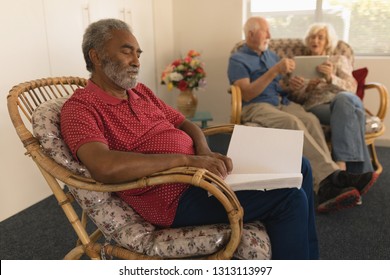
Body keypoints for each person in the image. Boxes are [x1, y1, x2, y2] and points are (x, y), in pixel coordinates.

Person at [61, 18, 318, 259]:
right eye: (127, 51)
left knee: (301, 165)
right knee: (289, 199)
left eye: (138, 54)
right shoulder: (81, 108)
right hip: (174, 197)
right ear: (96, 56)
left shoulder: (139, 92)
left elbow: (183, 122)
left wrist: (203, 151)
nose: (136, 61)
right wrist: (187, 160)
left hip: (201, 174)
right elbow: (104, 166)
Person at [227, 16, 376, 213]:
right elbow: (247, 93)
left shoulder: (270, 55)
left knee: (311, 119)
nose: (270, 36)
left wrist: (289, 86)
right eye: (266, 31)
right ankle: (328, 181)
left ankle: (332, 178)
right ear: (251, 33)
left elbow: (279, 86)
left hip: (281, 102)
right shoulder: (237, 59)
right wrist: (273, 71)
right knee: (293, 122)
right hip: (257, 105)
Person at [286, 22, 376, 179]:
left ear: (328, 42)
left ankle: (341, 166)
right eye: (313, 37)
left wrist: (331, 78)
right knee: (355, 116)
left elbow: (352, 87)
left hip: (345, 101)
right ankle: (359, 174)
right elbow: (296, 99)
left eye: (321, 37)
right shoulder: (301, 63)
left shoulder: (339, 60)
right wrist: (307, 88)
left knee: (343, 100)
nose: (316, 40)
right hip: (319, 107)